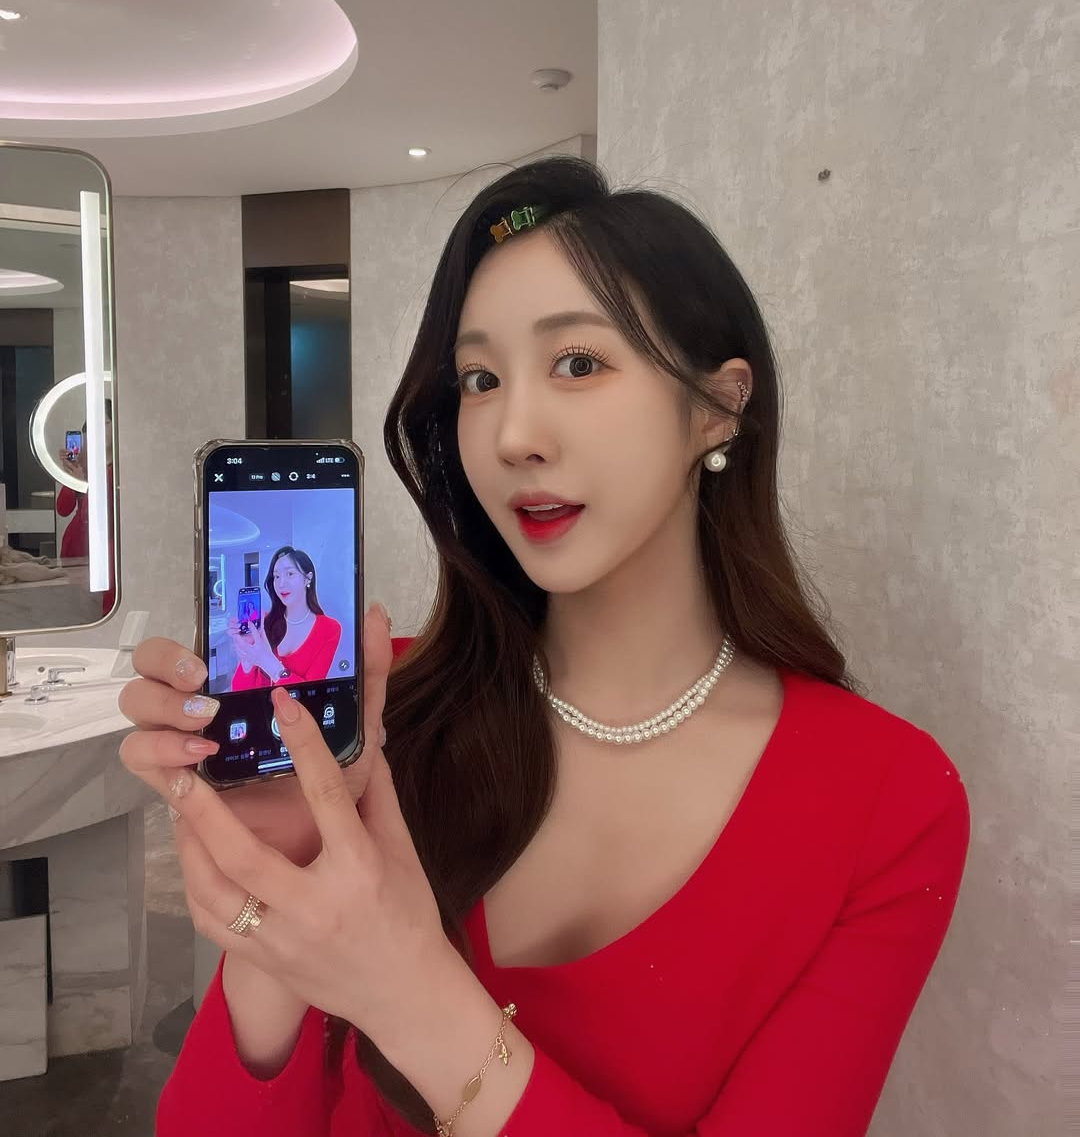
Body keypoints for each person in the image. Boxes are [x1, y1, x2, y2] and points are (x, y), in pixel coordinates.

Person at [118, 157, 969, 1137]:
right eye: (480, 380)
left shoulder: (887, 803)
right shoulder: (391, 715)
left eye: (577, 362)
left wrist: (407, 989)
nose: (512, 436)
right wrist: (282, 886)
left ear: (717, 406)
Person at [225, 546, 342, 692]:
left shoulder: (329, 629)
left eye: (290, 574)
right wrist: (247, 655)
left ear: (308, 578)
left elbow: (310, 692)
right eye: (277, 576)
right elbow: (239, 690)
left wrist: (266, 661)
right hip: (257, 706)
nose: (281, 584)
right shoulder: (265, 621)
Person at [56, 401, 116, 615]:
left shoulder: (120, 469)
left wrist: (82, 482)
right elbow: (63, 509)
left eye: (105, 423)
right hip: (76, 545)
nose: (98, 429)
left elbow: (95, 516)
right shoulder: (87, 464)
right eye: (92, 424)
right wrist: (72, 478)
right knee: (76, 611)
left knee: (99, 612)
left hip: (103, 548)